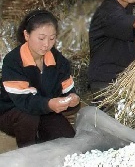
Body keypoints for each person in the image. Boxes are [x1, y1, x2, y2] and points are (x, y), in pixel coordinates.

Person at [0, 9, 80, 147]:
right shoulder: (13, 61)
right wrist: (49, 104)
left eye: (52, 38)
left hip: (45, 110)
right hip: (12, 112)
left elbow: (68, 90)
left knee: (67, 138)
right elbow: (24, 101)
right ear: (26, 35)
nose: (46, 44)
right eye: (41, 38)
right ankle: (28, 153)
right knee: (28, 117)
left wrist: (73, 100)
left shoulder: (59, 61)